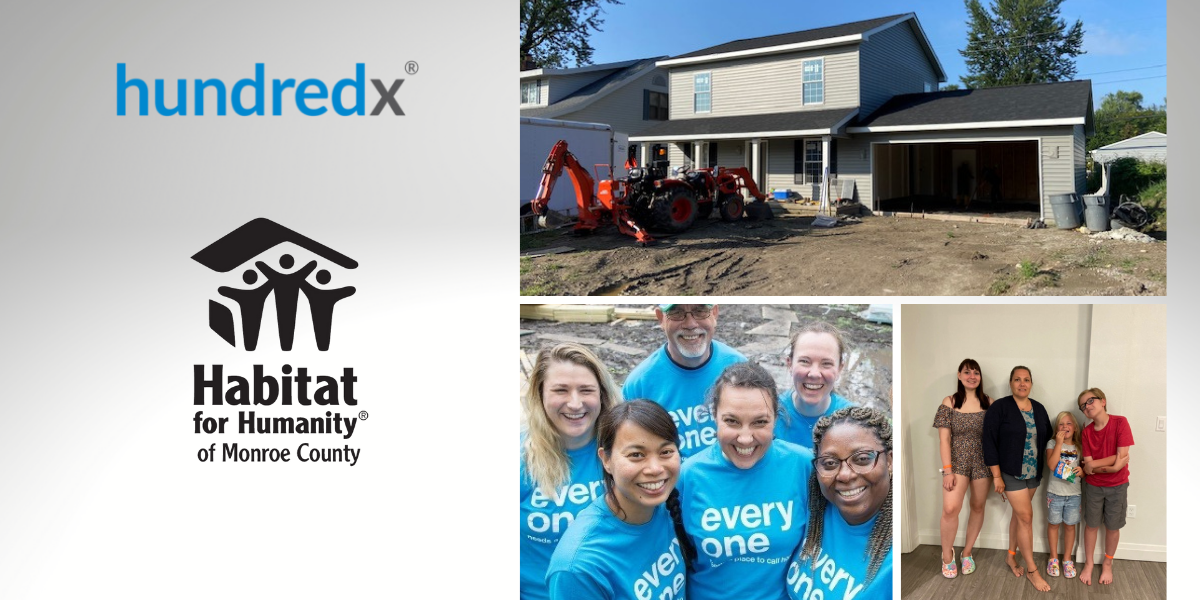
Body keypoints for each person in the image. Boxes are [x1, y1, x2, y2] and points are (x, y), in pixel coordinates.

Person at [678, 362, 813, 600]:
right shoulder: (688, 476)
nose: (745, 438)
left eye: (760, 422)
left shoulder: (803, 465)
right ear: (714, 416)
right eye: (732, 421)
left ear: (776, 419)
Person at [545, 400, 693, 600]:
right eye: (636, 455)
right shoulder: (578, 568)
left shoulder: (665, 505)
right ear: (606, 459)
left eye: (665, 452)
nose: (655, 469)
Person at [521, 344, 623, 600]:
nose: (575, 403)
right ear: (540, 393)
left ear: (601, 394)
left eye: (586, 390)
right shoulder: (518, 459)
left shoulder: (624, 450)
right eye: (560, 390)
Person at [787, 407, 893, 600]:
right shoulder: (815, 509)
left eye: (862, 459)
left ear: (890, 461)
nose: (844, 475)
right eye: (829, 463)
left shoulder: (892, 564)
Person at [623, 304, 746, 459]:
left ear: (714, 314)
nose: (690, 324)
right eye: (676, 313)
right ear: (661, 318)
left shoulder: (740, 368)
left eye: (700, 311)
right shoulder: (639, 384)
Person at [981, 365, 1053, 592]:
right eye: (1017, 379)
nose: (1022, 383)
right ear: (1011, 383)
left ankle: (1011, 556)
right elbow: (989, 441)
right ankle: (1032, 570)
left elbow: (1047, 438)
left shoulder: (1039, 409)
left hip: (1033, 473)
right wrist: (996, 476)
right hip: (1010, 472)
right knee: (1026, 517)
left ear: (1031, 383)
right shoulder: (1000, 408)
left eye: (1026, 379)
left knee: (1020, 517)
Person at [932, 359, 992, 578]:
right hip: (956, 462)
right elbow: (944, 439)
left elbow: (998, 437)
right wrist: (947, 470)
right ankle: (947, 556)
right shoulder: (950, 402)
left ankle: (967, 553)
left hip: (983, 461)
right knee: (950, 509)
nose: (972, 376)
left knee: (977, 506)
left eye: (976, 372)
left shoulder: (989, 403)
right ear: (959, 375)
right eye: (967, 372)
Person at [1077, 388, 1134, 586]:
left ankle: (1108, 564)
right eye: (1083, 406)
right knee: (1091, 525)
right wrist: (1113, 466)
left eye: (1090, 400)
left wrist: (1099, 465)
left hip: (1118, 486)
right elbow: (1089, 466)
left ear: (1103, 401)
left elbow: (1120, 455)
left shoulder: (1120, 422)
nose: (1087, 406)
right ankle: (1090, 563)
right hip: (1093, 487)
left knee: (1113, 526)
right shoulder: (1086, 432)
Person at [775, 322, 852, 449]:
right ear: (790, 364)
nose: (814, 374)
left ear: (839, 368)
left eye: (826, 363)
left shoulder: (854, 420)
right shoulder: (770, 414)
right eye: (805, 361)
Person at [1045, 411, 1084, 580]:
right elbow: (1052, 465)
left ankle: (1067, 559)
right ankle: (1053, 557)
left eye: (1068, 423)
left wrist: (1082, 472)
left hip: (1074, 494)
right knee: (1053, 524)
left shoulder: (1079, 447)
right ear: (1057, 428)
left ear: (1074, 428)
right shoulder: (1052, 443)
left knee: (1070, 526)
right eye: (1061, 424)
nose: (1065, 426)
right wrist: (1059, 443)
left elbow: (1084, 470)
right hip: (1055, 493)